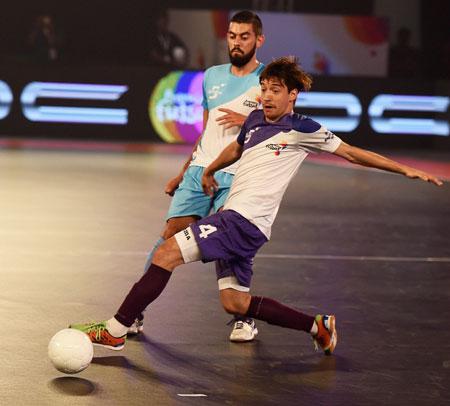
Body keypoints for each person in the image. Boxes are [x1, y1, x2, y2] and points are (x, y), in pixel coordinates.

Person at [70, 56, 442, 355]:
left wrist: (404, 169)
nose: (266, 96)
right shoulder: (253, 120)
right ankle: (318, 327)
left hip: (243, 221)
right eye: (263, 88)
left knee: (167, 252)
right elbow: (236, 146)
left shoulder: (303, 128)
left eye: (275, 90)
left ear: (293, 94)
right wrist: (211, 168)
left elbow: (352, 154)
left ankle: (116, 330)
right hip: (244, 223)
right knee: (235, 302)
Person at [130, 10, 266, 342]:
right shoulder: (211, 75)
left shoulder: (269, 79)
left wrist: (252, 118)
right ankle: (134, 311)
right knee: (169, 235)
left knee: (228, 240)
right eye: (232, 36)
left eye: (244, 36)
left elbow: (280, 124)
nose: (236, 42)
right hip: (197, 170)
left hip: (237, 173)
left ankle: (242, 317)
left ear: (258, 40)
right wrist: (182, 173)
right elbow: (207, 133)